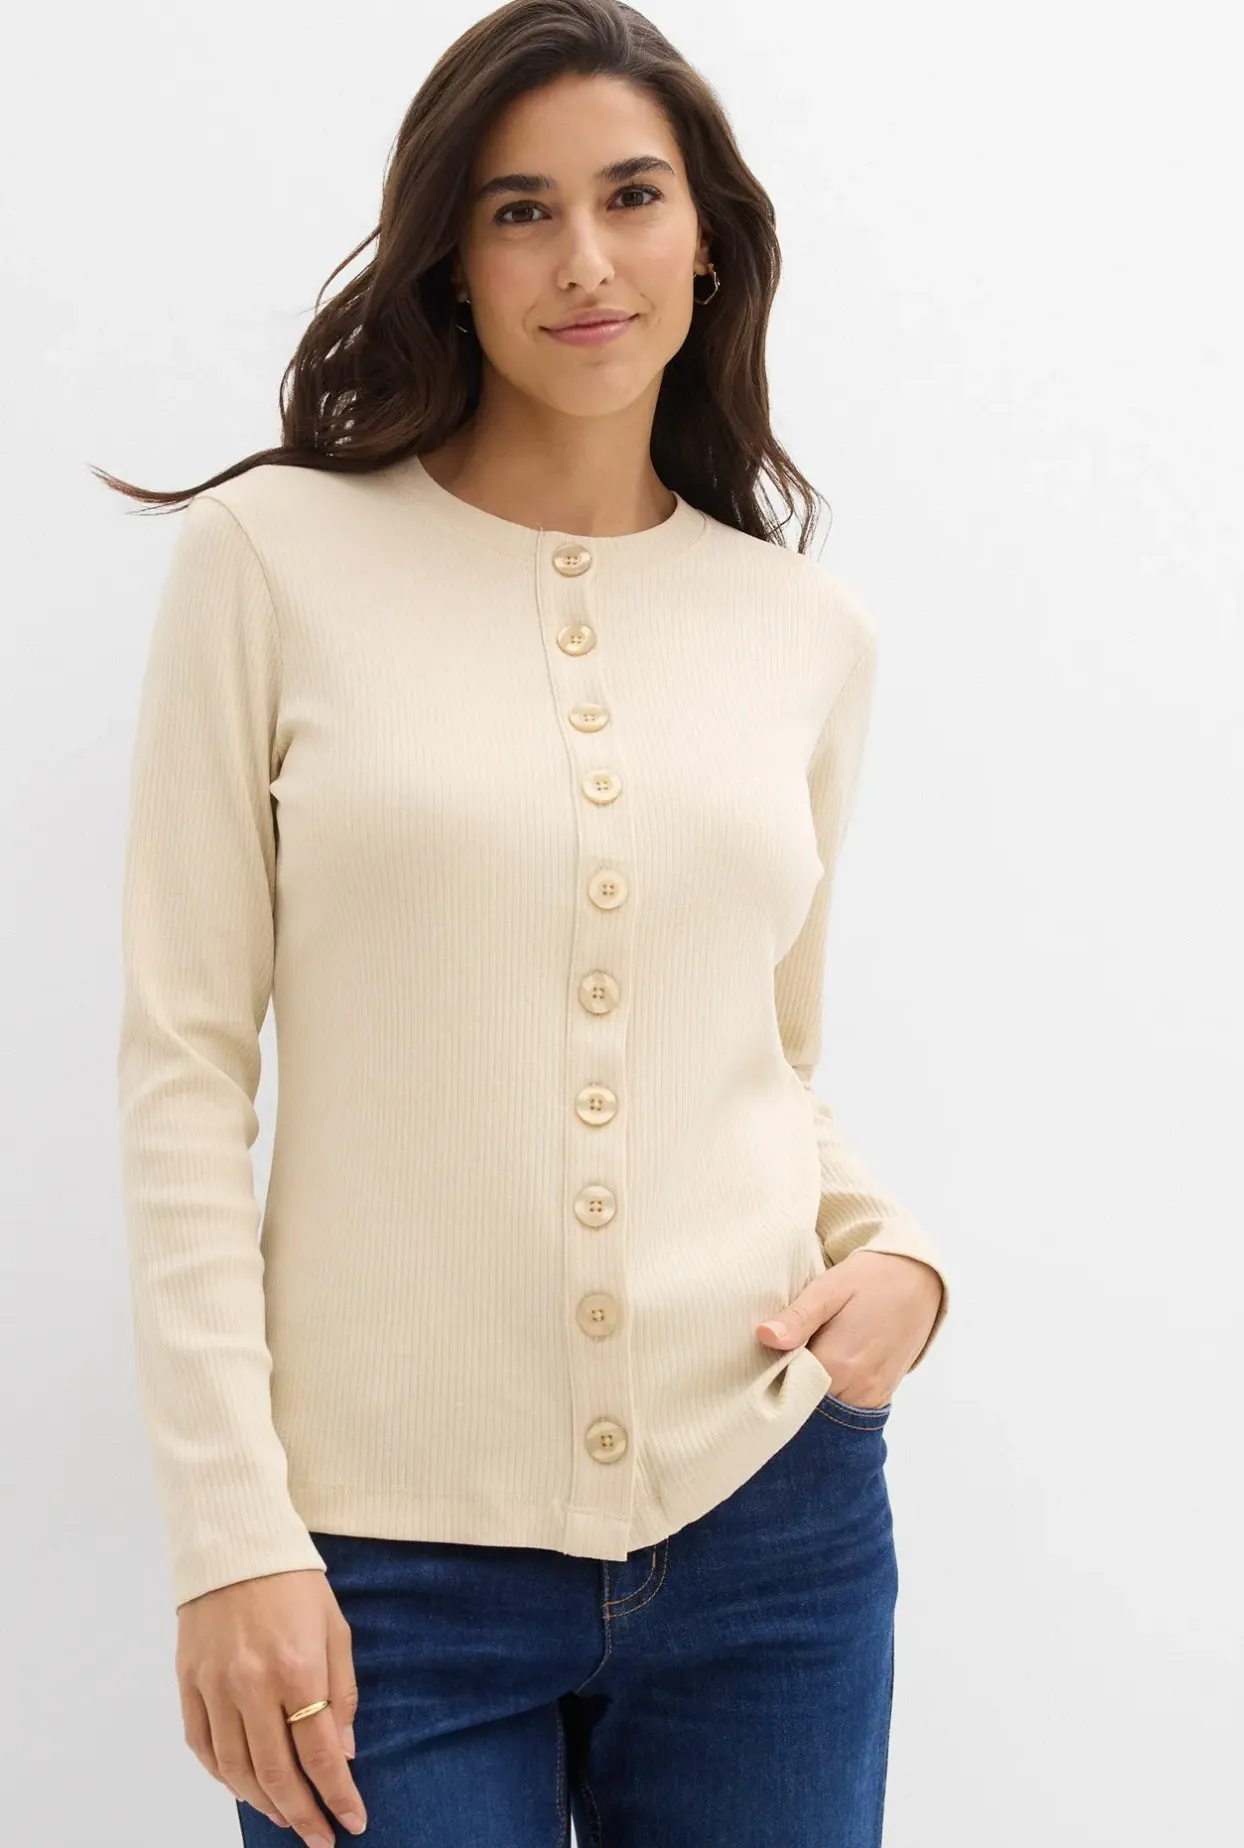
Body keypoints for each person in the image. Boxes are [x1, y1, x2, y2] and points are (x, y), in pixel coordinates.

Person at [106, 3, 950, 1843]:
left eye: (631, 196)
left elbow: (764, 1056)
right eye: (519, 210)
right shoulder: (271, 563)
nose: (583, 260)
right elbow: (182, 1071)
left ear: (706, 238)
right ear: (451, 259)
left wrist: (894, 1254)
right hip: (376, 1573)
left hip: (772, 1534)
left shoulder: (807, 635)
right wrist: (231, 1535)